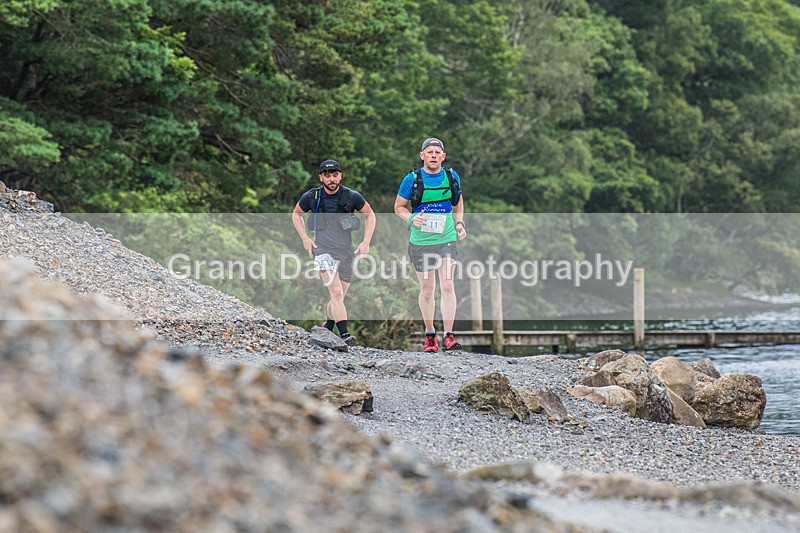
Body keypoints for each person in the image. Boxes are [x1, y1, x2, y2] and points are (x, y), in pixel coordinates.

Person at [292, 159, 376, 346]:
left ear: (340, 176)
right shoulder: (312, 197)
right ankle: (345, 335)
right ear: (321, 177)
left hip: (346, 251)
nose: (332, 179)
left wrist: (366, 242)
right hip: (322, 251)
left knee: (339, 296)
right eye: (327, 176)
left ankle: (328, 327)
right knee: (336, 293)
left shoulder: (352, 196)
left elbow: (370, 215)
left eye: (335, 175)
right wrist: (305, 239)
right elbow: (296, 214)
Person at [394, 138, 467, 353]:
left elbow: (458, 202)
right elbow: (399, 206)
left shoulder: (451, 177)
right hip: (420, 241)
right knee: (427, 290)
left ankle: (449, 335)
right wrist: (410, 219)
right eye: (430, 152)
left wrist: (460, 223)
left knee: (447, 285)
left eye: (437, 152)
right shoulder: (412, 179)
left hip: (446, 238)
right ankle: (429, 335)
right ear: (422, 155)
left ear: (443, 157)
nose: (434, 155)